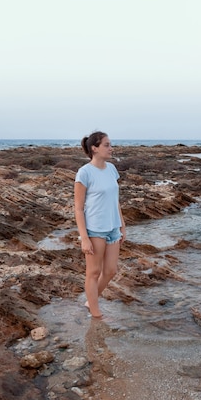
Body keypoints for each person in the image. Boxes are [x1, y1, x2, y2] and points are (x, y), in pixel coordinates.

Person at [74, 131, 126, 318]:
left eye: (110, 144)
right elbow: (78, 209)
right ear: (94, 148)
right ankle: (96, 315)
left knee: (111, 271)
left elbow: (115, 200)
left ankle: (91, 301)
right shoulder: (85, 172)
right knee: (94, 272)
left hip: (113, 228)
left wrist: (122, 225)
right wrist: (84, 238)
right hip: (95, 229)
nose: (111, 148)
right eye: (106, 145)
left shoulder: (112, 169)